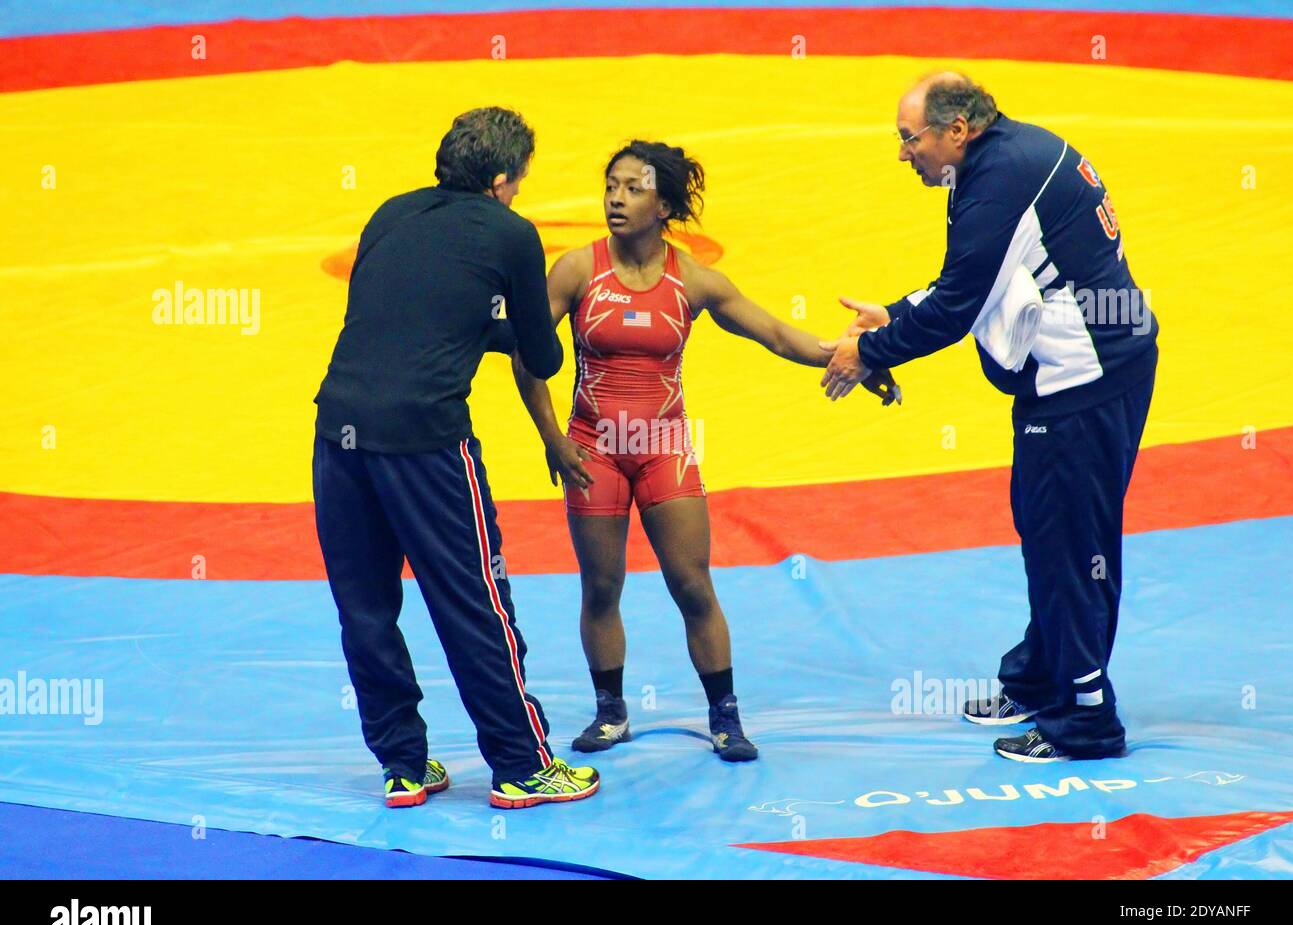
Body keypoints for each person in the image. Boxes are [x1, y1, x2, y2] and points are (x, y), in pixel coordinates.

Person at [513, 140, 898, 762]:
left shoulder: (692, 280)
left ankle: (726, 717)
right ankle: (610, 713)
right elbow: (527, 355)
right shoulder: (576, 271)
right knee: (601, 586)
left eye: (632, 188)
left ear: (663, 205)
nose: (615, 198)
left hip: (664, 446)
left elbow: (774, 332)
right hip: (594, 448)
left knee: (692, 583)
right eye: (610, 185)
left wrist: (856, 354)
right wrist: (552, 439)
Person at [821, 73, 1158, 763]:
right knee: (1044, 529)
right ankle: (1040, 676)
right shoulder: (1005, 157)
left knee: (1070, 545)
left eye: (908, 139)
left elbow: (954, 309)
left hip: (1085, 382)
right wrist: (895, 314)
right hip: (1081, 370)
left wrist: (870, 352)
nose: (902, 153)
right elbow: (971, 279)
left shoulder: (1000, 177)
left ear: (956, 131)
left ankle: (1087, 717)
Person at [312, 106, 599, 809]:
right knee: (474, 601)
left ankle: (404, 766)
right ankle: (521, 764)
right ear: (501, 180)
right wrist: (524, 321)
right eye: (519, 183)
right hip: (426, 440)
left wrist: (475, 321)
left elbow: (397, 315)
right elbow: (541, 353)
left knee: (365, 607)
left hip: (337, 429)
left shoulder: (390, 212)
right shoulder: (509, 232)